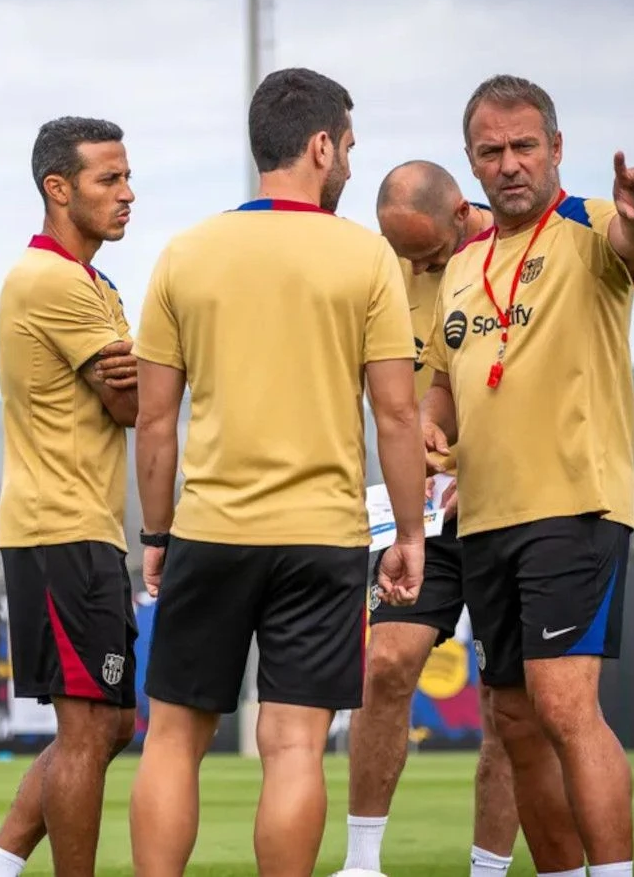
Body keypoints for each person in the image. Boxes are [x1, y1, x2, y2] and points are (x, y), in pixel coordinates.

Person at [127, 67, 430, 877]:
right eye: (350, 148)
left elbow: (154, 422)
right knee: (294, 745)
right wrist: (408, 534)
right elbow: (397, 416)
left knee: (173, 738)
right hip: (322, 540)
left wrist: (155, 533)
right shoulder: (366, 258)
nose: (352, 164)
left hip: (210, 531)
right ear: (321, 146)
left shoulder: (184, 254)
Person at [420, 74, 634, 877]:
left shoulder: (592, 224)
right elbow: (444, 381)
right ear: (471, 162)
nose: (509, 164)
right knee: (517, 722)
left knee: (564, 706)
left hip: (574, 506)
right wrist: (428, 426)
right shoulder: (463, 265)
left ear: (557, 148)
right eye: (490, 151)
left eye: (525, 145)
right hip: (483, 519)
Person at [338, 160, 533, 877]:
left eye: (426, 253)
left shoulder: (523, 258)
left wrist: (484, 461)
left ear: (461, 211)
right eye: (404, 253)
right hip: (419, 512)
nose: (416, 268)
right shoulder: (383, 270)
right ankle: (362, 863)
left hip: (512, 505)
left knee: (506, 703)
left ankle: (488, 871)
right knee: (386, 663)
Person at [0, 116, 143, 877]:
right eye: (110, 179)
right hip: (59, 527)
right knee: (89, 730)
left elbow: (132, 389)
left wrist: (146, 369)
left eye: (128, 176)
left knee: (111, 725)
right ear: (58, 188)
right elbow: (131, 403)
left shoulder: (96, 284)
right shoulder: (51, 280)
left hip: (85, 528)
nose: (128, 193)